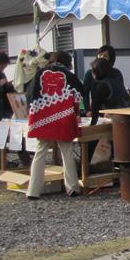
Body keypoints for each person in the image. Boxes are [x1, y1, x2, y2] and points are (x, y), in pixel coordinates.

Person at [26, 51, 84, 199]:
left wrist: (31, 114)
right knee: (67, 151)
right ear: (67, 62)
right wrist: (76, 113)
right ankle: (72, 188)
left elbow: (29, 95)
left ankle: (33, 190)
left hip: (42, 117)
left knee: (40, 152)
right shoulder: (69, 76)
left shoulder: (40, 74)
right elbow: (78, 95)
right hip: (63, 116)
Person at [82, 45, 130, 114]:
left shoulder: (116, 73)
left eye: (105, 56)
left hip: (115, 110)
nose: (102, 57)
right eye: (100, 55)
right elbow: (85, 94)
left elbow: (120, 91)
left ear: (111, 59)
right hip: (101, 110)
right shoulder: (89, 73)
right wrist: (87, 110)